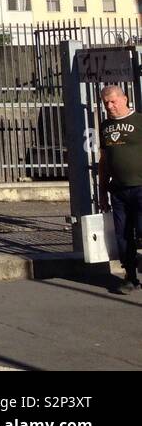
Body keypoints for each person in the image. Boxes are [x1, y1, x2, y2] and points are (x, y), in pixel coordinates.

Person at [100, 84, 141, 294]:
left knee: (141, 231)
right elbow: (104, 160)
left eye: (113, 101)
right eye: (106, 102)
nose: (110, 106)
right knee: (122, 236)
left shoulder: (138, 121)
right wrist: (102, 191)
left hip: (140, 187)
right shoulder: (105, 126)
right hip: (118, 191)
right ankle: (130, 277)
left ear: (125, 99)